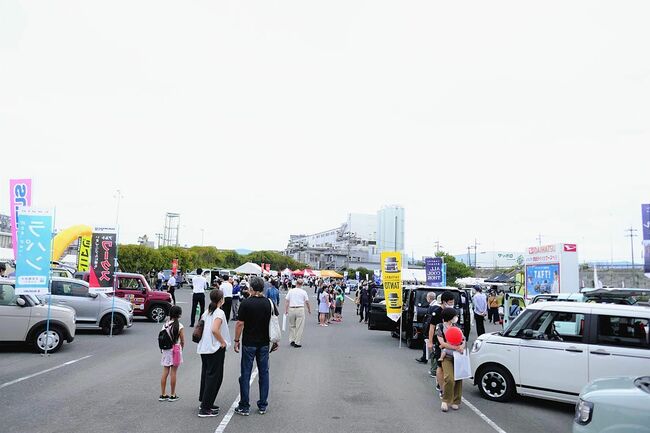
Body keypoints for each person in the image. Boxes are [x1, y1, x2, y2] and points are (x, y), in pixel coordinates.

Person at [233, 277, 279, 416]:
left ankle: (244, 405)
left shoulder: (246, 303)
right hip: (264, 342)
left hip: (249, 342)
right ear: (263, 288)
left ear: (251, 288)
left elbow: (240, 323)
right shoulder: (269, 303)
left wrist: (236, 340)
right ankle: (262, 405)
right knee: (264, 373)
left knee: (245, 374)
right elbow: (274, 321)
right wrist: (275, 340)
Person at [197, 289, 230, 417]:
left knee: (207, 375)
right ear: (221, 300)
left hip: (204, 347)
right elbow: (215, 330)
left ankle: (206, 402)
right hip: (214, 348)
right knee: (214, 377)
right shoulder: (219, 312)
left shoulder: (207, 312)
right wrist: (223, 342)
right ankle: (205, 408)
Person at [425, 291, 456, 398]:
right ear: (444, 302)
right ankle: (442, 388)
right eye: (450, 302)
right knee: (440, 365)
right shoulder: (436, 312)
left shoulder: (452, 312)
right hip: (439, 343)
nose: (452, 304)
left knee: (450, 365)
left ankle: (446, 385)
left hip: (451, 343)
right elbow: (432, 328)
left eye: (453, 302)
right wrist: (430, 342)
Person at [436, 307, 466, 412]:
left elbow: (463, 339)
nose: (456, 318)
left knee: (458, 378)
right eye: (455, 316)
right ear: (450, 317)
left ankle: (455, 401)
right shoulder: (440, 327)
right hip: (447, 356)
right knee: (449, 378)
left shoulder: (458, 327)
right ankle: (445, 400)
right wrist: (455, 347)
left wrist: (462, 346)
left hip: (458, 356)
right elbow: (442, 343)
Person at [159, 305, 184, 402]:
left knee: (165, 371)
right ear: (179, 315)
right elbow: (182, 341)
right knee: (173, 372)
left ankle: (163, 394)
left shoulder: (165, 325)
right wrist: (182, 347)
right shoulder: (180, 326)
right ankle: (173, 394)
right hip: (176, 350)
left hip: (166, 350)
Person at [284, 278, 311, 347]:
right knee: (299, 327)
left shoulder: (291, 291)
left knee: (292, 325)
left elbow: (287, 301)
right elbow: (307, 302)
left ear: (296, 283)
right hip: (300, 308)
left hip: (291, 308)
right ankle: (297, 342)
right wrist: (309, 309)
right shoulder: (303, 292)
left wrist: (286, 310)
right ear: (302, 284)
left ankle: (292, 340)